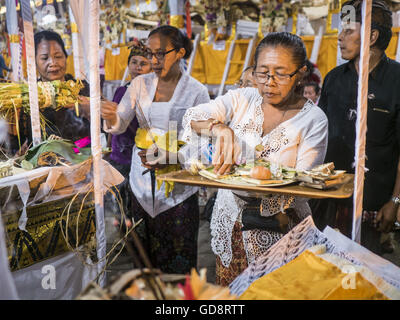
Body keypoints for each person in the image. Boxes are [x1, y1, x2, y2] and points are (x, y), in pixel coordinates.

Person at [181, 32, 328, 286]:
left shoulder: (314, 120)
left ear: (301, 73)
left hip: (282, 229)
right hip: (230, 223)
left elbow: (304, 184)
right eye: (262, 73)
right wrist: (219, 128)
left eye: (281, 74)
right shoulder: (243, 99)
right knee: (232, 293)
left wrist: (258, 178)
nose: (269, 82)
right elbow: (193, 116)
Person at [101, 25, 210, 274]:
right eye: (151, 54)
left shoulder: (196, 91)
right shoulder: (139, 84)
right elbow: (120, 124)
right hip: (141, 183)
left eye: (161, 53)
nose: (154, 60)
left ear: (181, 52)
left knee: (177, 261)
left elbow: (203, 143)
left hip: (178, 187)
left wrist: (173, 156)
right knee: (143, 262)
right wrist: (110, 116)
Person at [314, 0, 400, 255]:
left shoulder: (397, 82)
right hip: (330, 199)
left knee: (365, 281)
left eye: (348, 31)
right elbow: (319, 136)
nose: (339, 37)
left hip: (373, 205)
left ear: (371, 36)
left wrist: (395, 202)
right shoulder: (333, 79)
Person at [11, 30, 90, 154]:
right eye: (44, 58)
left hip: (80, 157)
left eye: (58, 56)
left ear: (66, 58)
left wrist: (73, 149)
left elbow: (97, 132)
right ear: (34, 62)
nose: (52, 63)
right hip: (43, 162)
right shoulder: (30, 95)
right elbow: (24, 138)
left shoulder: (82, 89)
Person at [107, 40, 152, 228]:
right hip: (119, 152)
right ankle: (122, 228)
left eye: (143, 63)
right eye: (134, 62)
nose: (138, 67)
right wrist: (109, 147)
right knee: (118, 196)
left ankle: (133, 233)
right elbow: (112, 122)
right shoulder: (120, 91)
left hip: (140, 153)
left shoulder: (153, 94)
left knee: (135, 199)